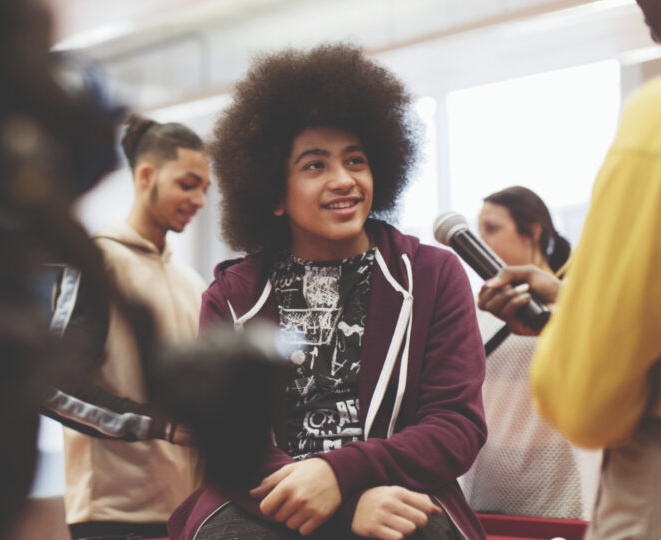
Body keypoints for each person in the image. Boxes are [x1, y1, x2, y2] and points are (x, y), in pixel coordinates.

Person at [170, 44, 487, 540]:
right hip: (264, 504)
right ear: (274, 193)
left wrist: (342, 474)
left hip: (397, 493)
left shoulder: (432, 275)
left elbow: (455, 427)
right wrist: (339, 512)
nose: (344, 181)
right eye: (315, 166)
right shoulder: (231, 296)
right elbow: (231, 440)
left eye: (355, 161)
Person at [478, 1, 661, 536]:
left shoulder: (652, 122)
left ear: (532, 229)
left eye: (492, 228)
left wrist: (567, 334)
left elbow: (586, 401)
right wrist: (565, 301)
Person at [48, 113, 211, 540]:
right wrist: (158, 425)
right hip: (114, 516)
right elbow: (55, 387)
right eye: (188, 184)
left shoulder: (192, 282)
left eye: (206, 189)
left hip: (187, 513)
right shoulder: (97, 265)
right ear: (146, 176)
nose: (200, 201)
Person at [459, 186, 598, 520]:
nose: (480, 240)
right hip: (488, 477)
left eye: (491, 229)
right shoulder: (472, 313)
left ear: (532, 232)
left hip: (559, 476)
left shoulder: (580, 305)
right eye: (478, 231)